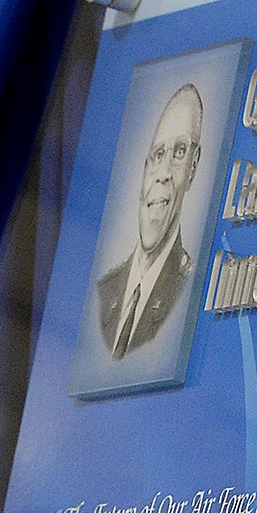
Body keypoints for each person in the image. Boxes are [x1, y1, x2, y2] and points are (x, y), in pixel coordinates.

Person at [95, 83, 202, 359]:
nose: (163, 173)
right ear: (144, 169)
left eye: (179, 153)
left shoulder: (189, 291)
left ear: (193, 166)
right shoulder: (103, 292)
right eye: (157, 156)